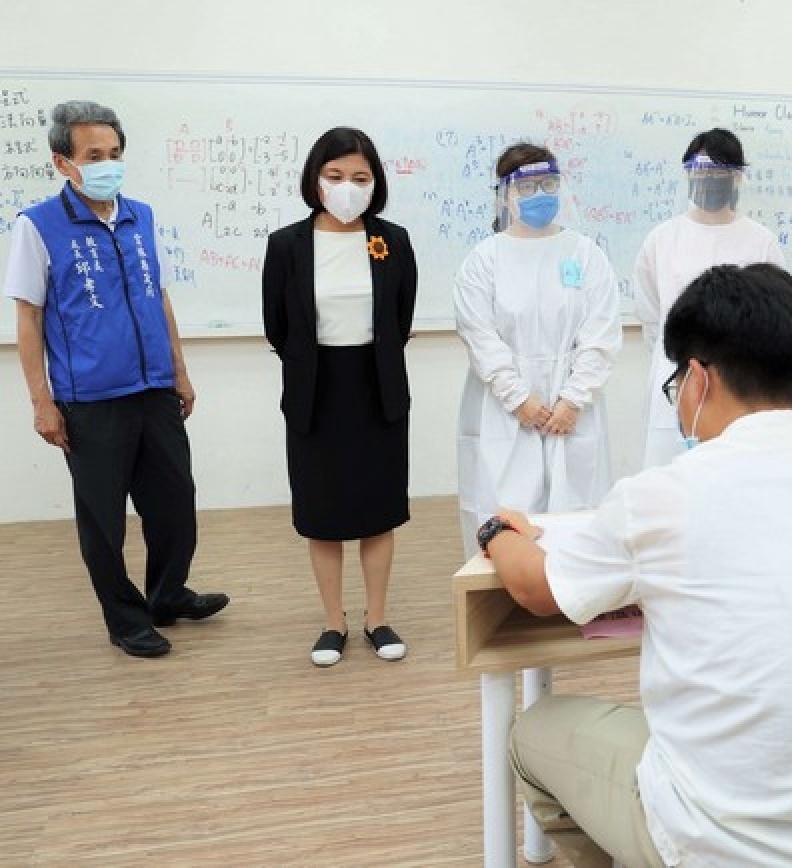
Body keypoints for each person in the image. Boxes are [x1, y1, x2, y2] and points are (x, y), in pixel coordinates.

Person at [479, 264, 792, 867]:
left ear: (698, 378)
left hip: (733, 846)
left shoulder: (666, 493)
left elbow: (535, 588)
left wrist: (500, 530)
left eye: (676, 383)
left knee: (534, 734)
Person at [3, 100, 228, 658]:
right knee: (104, 519)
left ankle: (168, 594)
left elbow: (160, 298)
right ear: (64, 163)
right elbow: (27, 316)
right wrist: (42, 401)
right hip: (90, 400)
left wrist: (179, 370)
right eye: (95, 155)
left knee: (175, 501)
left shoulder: (140, 216)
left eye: (116, 153)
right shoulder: (37, 226)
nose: (109, 163)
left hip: (154, 388)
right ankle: (126, 619)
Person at [262, 127, 417, 666]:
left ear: (375, 183)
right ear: (314, 179)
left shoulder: (392, 239)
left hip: (377, 388)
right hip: (315, 392)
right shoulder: (286, 245)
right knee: (322, 514)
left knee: (377, 511)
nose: (347, 187)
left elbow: (401, 318)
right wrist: (314, 363)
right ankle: (334, 622)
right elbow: (277, 327)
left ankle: (377, 618)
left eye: (359, 177)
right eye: (335, 176)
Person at [454, 144, 621, 555]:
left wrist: (572, 398)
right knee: (504, 512)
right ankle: (503, 600)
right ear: (504, 194)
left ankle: (573, 600)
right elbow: (480, 336)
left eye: (548, 184)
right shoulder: (484, 260)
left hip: (573, 408)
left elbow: (600, 331)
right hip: (504, 407)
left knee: (577, 514)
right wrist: (518, 398)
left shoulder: (585, 253)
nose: (540, 194)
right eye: (526, 187)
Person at [633, 127, 786, 468]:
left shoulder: (760, 241)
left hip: (740, 380)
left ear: (737, 177)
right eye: (703, 172)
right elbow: (650, 313)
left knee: (733, 475)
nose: (710, 180)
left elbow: (774, 315)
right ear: (688, 174)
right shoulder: (662, 238)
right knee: (668, 477)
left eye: (720, 173)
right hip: (675, 378)